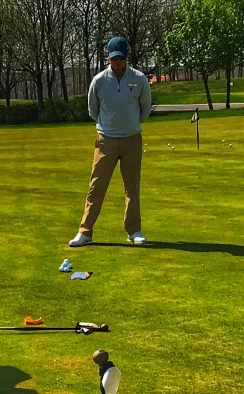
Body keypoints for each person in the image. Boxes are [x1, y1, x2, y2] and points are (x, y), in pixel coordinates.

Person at [69, 36, 152, 248]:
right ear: (108, 57)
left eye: (121, 58)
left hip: (132, 139)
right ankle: (85, 232)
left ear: (126, 57)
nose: (117, 62)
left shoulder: (140, 79)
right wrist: (108, 127)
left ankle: (134, 230)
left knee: (132, 188)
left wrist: (129, 124)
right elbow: (93, 110)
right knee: (96, 187)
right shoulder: (98, 81)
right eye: (114, 58)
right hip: (105, 140)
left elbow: (145, 109)